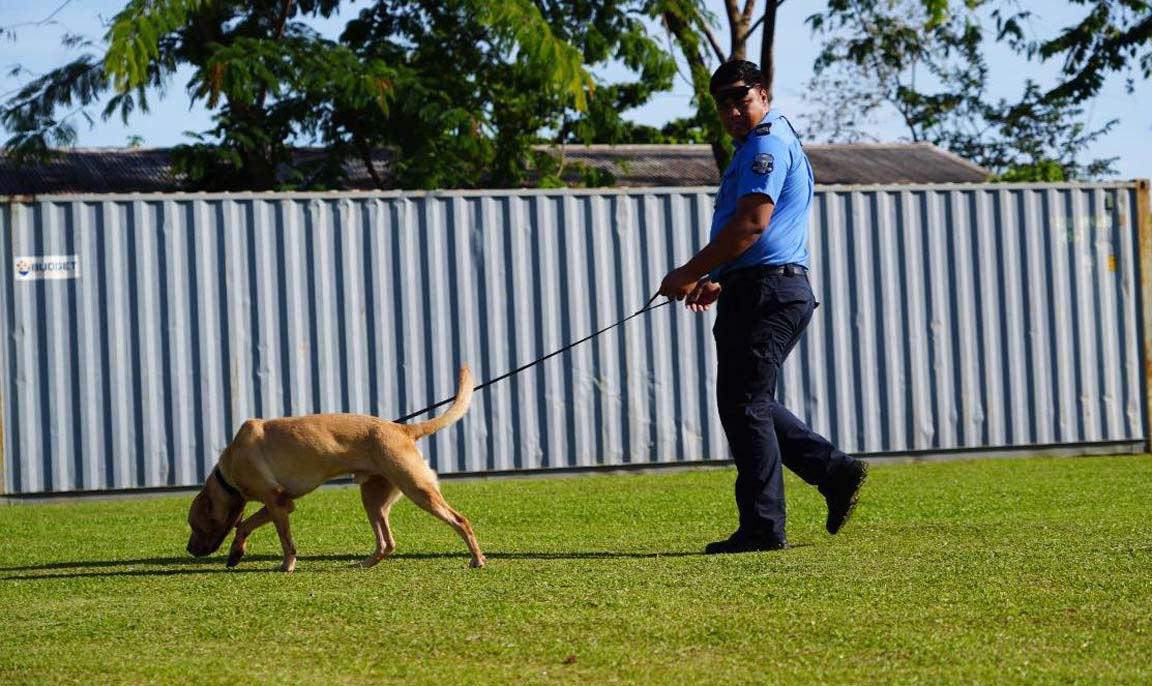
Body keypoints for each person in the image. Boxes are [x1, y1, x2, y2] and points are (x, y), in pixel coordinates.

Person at [658, 60, 868, 553]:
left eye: (741, 98)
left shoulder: (766, 145)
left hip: (769, 292)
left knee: (744, 403)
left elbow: (753, 225)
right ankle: (833, 472)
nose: (732, 109)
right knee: (746, 399)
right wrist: (720, 279)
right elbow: (765, 237)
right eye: (723, 102)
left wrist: (687, 273)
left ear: (764, 95)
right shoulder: (759, 143)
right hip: (760, 287)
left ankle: (763, 525)